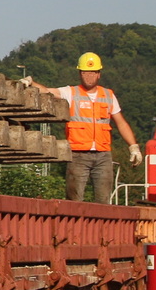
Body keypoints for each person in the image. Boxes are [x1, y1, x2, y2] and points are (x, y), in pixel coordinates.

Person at [24, 52, 142, 203]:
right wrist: (32, 83)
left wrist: (133, 147)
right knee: (74, 200)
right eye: (85, 72)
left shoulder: (108, 95)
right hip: (78, 155)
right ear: (80, 73)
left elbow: (121, 123)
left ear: (99, 74)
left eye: (93, 72)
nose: (89, 76)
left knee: (104, 200)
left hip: (103, 155)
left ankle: (101, 227)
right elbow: (48, 92)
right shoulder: (71, 92)